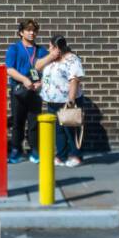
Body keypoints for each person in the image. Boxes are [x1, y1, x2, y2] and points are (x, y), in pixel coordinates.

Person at [36, 35, 86, 167]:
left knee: (71, 129)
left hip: (66, 101)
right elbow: (37, 66)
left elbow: (74, 80)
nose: (49, 48)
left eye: (51, 46)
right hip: (52, 101)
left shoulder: (72, 59)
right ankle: (61, 156)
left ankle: (76, 156)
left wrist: (71, 100)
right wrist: (51, 56)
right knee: (58, 130)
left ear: (57, 47)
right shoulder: (52, 58)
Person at [4, 19, 47, 164]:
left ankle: (35, 150)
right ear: (21, 32)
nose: (32, 33)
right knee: (18, 122)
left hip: (35, 91)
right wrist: (24, 80)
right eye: (28, 30)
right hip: (19, 91)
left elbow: (48, 70)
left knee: (34, 122)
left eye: (34, 30)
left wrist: (41, 82)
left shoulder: (41, 50)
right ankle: (16, 150)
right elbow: (9, 69)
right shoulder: (14, 49)